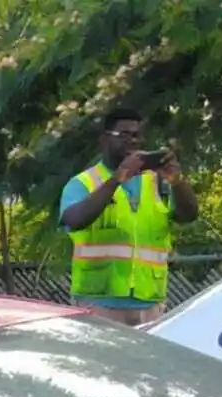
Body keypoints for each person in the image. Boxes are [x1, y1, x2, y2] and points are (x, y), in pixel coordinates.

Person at [59, 107, 198, 326]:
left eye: (137, 136)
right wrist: (117, 179)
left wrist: (177, 181)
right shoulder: (83, 183)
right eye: (124, 135)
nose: (133, 141)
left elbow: (188, 215)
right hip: (98, 304)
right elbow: (74, 220)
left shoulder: (156, 182)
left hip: (150, 305)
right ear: (105, 140)